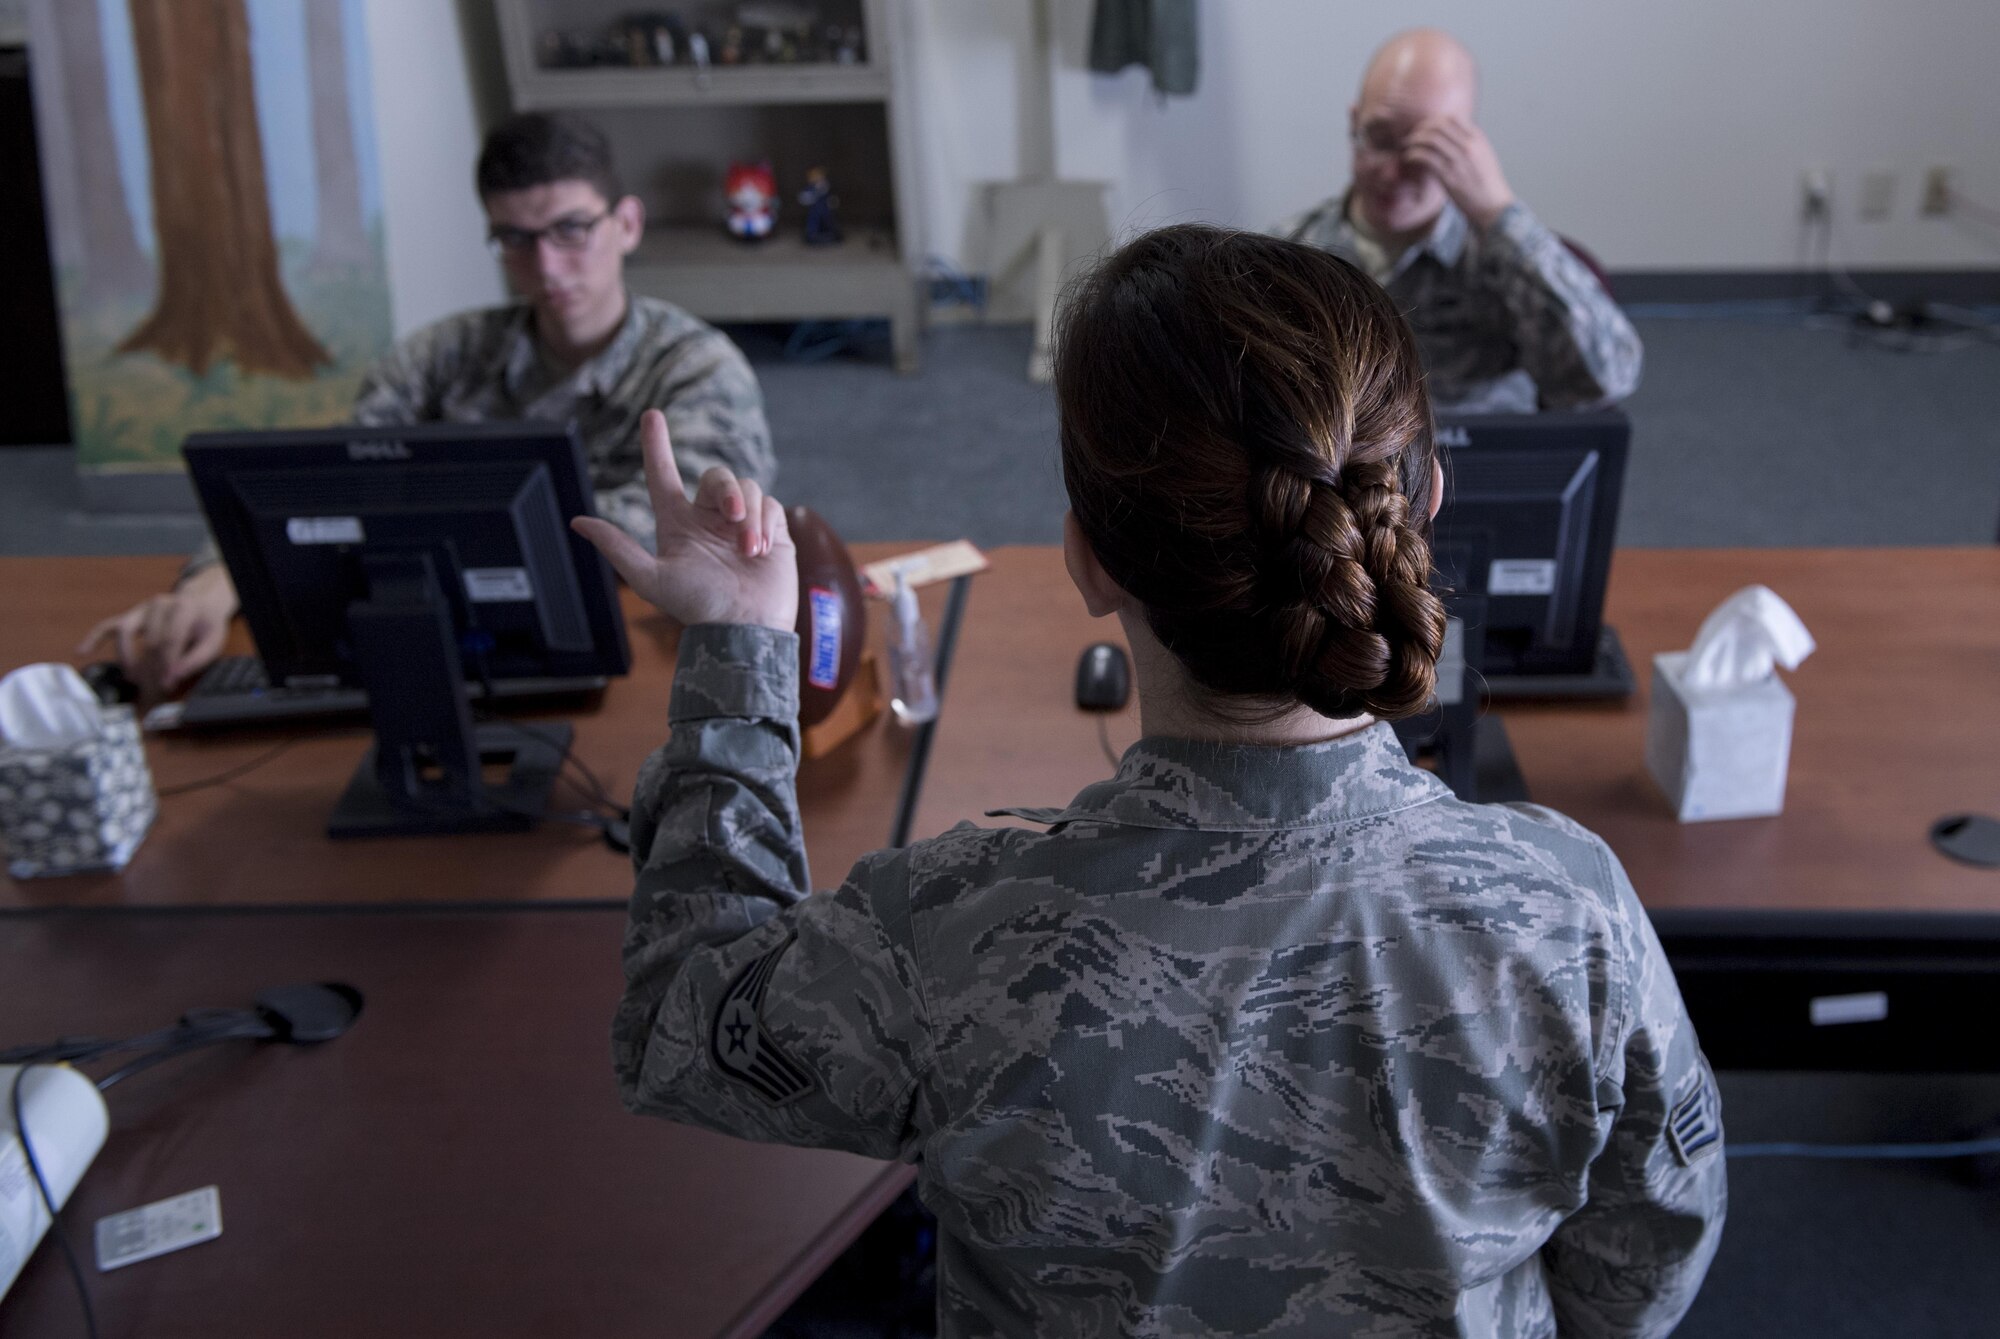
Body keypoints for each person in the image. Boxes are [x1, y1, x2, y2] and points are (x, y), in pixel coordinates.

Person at [580, 224, 1724, 1337]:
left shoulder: (952, 935)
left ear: (1085, 560)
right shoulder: (1569, 916)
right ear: (1419, 510)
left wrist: (736, 644)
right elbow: (1638, 1275)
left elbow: (684, 1023)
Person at [79, 110, 773, 696]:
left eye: (571, 229)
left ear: (626, 224)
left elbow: (688, 546)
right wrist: (219, 577)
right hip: (433, 640)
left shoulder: (698, 370)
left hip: (630, 652)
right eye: (516, 239)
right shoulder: (444, 356)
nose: (549, 266)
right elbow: (318, 480)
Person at [1274, 28, 1643, 414]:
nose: (1392, 173)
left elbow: (1608, 379)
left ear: (1465, 148)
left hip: (1483, 463)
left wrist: (1500, 214)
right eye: (1380, 139)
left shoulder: (1498, 258)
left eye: (1426, 149)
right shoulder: (1295, 251)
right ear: (1355, 123)